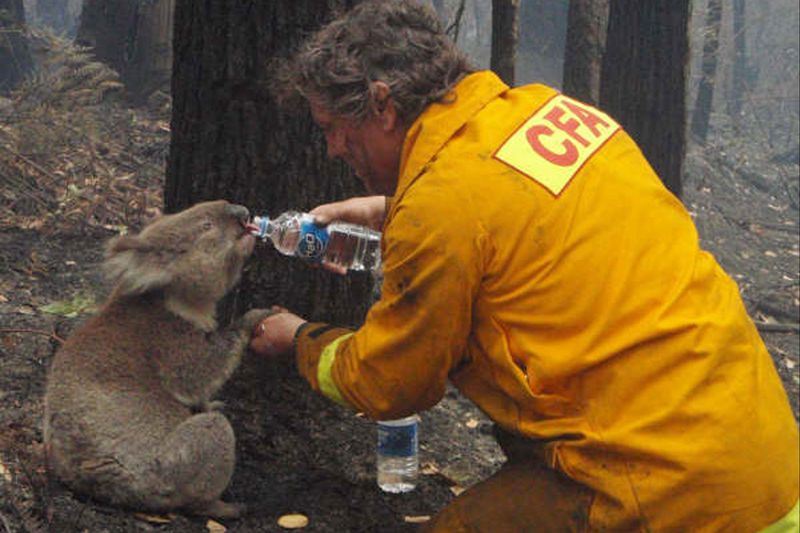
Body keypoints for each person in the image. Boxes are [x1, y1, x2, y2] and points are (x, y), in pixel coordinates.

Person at [250, 1, 799, 531]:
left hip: (667, 492)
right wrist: (392, 213)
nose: (331, 150)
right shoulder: (548, 112)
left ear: (383, 105)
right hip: (764, 461)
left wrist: (299, 339)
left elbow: (392, 382)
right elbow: (515, 219)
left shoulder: (443, 206)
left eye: (331, 128)